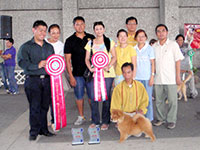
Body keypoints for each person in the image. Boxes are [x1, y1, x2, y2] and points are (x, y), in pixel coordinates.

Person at [17, 20, 55, 141]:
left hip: (48, 80)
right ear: (34, 30)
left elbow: (54, 63)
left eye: (44, 31)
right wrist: (37, 65)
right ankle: (33, 131)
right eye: (40, 30)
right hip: (33, 80)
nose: (43, 33)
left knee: (45, 107)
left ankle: (44, 129)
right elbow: (22, 62)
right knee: (34, 106)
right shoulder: (26, 47)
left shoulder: (49, 47)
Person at [85, 21, 116, 130]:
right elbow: (86, 58)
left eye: (100, 28)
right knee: (93, 97)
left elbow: (114, 57)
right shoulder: (90, 43)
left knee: (106, 97)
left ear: (104, 29)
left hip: (107, 74)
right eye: (96, 29)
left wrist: (109, 66)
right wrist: (90, 68)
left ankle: (106, 121)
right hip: (95, 75)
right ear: (94, 30)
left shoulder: (109, 41)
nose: (99, 31)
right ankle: (95, 120)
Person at [64, 16, 95, 125]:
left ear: (85, 25)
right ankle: (81, 116)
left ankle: (94, 115)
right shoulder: (69, 41)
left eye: (82, 24)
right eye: (77, 24)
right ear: (74, 26)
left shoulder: (91, 38)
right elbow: (67, 61)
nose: (80, 26)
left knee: (92, 96)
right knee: (79, 95)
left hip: (91, 73)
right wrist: (71, 76)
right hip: (77, 74)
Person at [152, 24, 184, 129]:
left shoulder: (173, 45)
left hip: (171, 78)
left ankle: (171, 120)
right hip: (158, 78)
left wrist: (178, 76)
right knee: (159, 100)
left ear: (167, 32)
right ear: (156, 33)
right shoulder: (154, 46)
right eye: (158, 31)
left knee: (172, 100)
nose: (161, 33)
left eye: (163, 31)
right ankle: (160, 118)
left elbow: (178, 61)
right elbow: (152, 62)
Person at [46, 24, 71, 130]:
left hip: (56, 76)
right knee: (44, 99)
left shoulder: (61, 45)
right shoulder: (45, 43)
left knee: (55, 98)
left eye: (57, 33)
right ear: (49, 33)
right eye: (53, 33)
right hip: (45, 74)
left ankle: (54, 120)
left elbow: (63, 60)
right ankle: (45, 120)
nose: (56, 35)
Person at [134, 29, 155, 121]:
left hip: (147, 78)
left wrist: (152, 76)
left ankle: (149, 118)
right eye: (139, 36)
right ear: (136, 38)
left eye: (143, 36)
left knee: (148, 99)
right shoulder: (133, 49)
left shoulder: (150, 49)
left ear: (146, 37)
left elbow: (153, 63)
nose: (141, 38)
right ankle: (139, 118)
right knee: (137, 100)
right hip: (136, 78)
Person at [175, 34, 198, 99]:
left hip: (187, 65)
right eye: (178, 40)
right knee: (177, 79)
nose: (180, 41)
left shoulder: (187, 46)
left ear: (183, 40)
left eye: (181, 40)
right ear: (176, 40)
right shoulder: (174, 47)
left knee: (191, 78)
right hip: (178, 66)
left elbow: (190, 53)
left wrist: (193, 51)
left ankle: (193, 93)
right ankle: (176, 93)